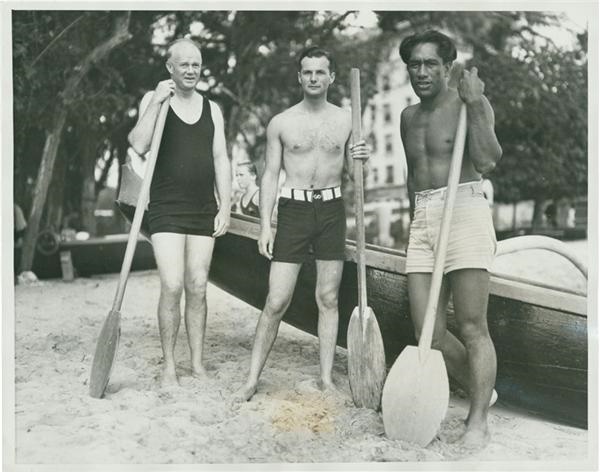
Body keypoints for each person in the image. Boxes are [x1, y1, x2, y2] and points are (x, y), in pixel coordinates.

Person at [233, 46, 369, 402]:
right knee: (277, 300)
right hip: (292, 210)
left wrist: (362, 160)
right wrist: (265, 225)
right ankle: (250, 380)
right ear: (299, 77)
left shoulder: (347, 120)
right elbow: (269, 175)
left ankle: (326, 379)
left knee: (328, 297)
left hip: (332, 209)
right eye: (307, 72)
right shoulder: (281, 122)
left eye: (320, 72)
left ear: (331, 77)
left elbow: (357, 179)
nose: (313, 78)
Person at [399, 30, 502, 447]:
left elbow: (488, 159)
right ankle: (485, 389)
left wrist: (475, 102)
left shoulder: (466, 103)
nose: (421, 72)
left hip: (464, 209)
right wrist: (413, 222)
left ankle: (477, 422)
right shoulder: (407, 116)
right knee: (430, 331)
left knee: (473, 324)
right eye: (414, 64)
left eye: (429, 64)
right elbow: (412, 177)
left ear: (447, 67)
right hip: (423, 216)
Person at [128, 38, 231, 387]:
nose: (191, 70)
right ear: (169, 67)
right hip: (166, 207)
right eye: (183, 64)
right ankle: (169, 365)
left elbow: (221, 159)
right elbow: (138, 144)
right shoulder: (155, 100)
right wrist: (156, 101)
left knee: (198, 286)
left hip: (203, 207)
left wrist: (226, 205)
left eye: (196, 64)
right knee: (172, 285)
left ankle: (197, 364)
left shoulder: (212, 108)